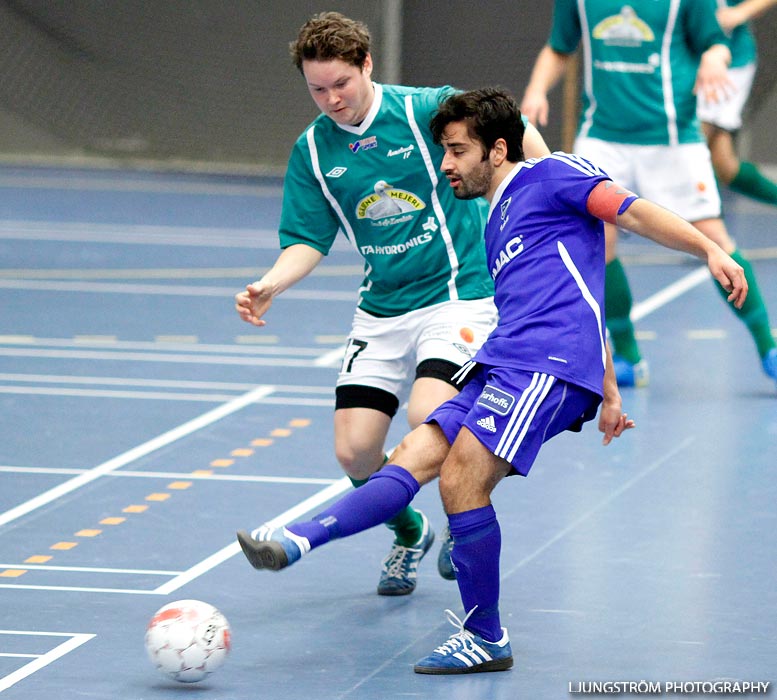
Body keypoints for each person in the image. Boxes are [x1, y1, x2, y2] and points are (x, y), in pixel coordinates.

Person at [236, 87, 747, 674]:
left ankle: (485, 636)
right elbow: (582, 290)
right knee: (416, 451)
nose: (446, 163)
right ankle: (294, 542)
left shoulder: (553, 174)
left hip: (544, 364)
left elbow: (629, 210)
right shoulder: (494, 219)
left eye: (456, 151)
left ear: (497, 150)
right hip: (508, 361)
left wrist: (709, 247)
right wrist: (608, 387)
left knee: (461, 479)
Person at [235, 12, 551, 597]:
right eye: (317, 89)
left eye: (341, 84)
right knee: (355, 452)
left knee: (426, 417)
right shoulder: (312, 149)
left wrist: (546, 179)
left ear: (367, 66)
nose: (332, 99)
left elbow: (514, 127)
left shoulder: (421, 111)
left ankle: (467, 504)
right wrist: (273, 282)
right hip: (382, 307)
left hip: (459, 295)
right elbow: (307, 239)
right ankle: (410, 531)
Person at [520, 0, 777, 389]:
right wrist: (536, 91)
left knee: (715, 239)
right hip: (604, 138)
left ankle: (768, 347)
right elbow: (560, 47)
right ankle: (627, 354)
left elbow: (715, 42)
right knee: (596, 241)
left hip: (672, 138)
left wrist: (713, 60)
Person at [700, 0, 777, 205]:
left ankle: (707, 229)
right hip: (684, 56)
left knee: (689, 147)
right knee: (724, 165)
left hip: (725, 63)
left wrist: (741, 11)